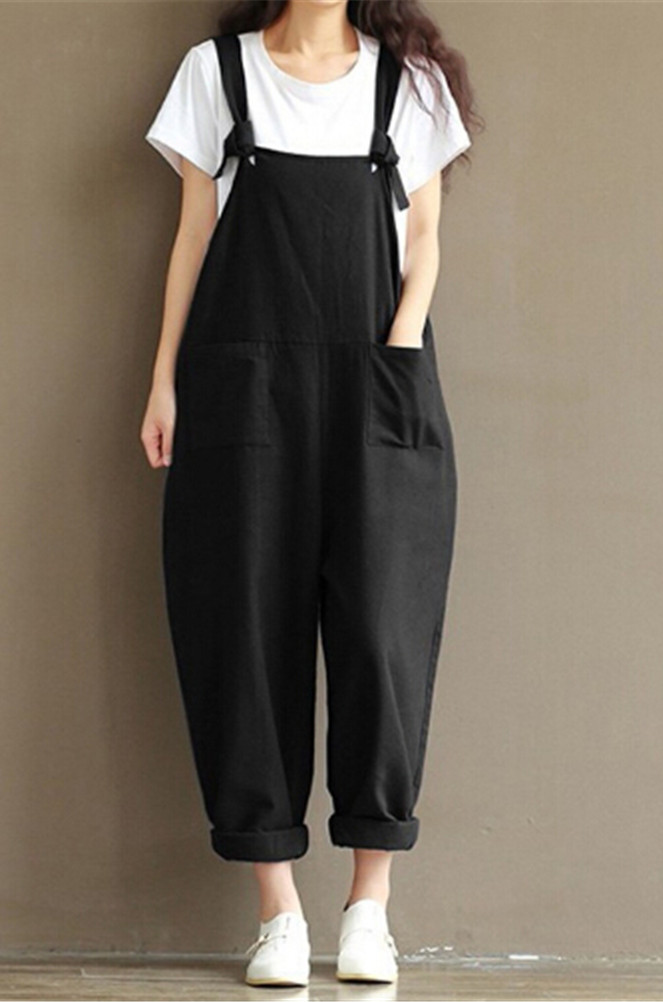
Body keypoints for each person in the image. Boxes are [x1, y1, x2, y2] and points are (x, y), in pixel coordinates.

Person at [140, 0, 477, 987]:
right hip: (243, 389)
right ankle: (278, 914)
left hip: (380, 385)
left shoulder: (408, 83)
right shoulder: (217, 74)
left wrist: (397, 350)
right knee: (245, 631)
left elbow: (425, 237)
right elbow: (193, 233)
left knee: (384, 634)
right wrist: (162, 380)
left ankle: (369, 908)